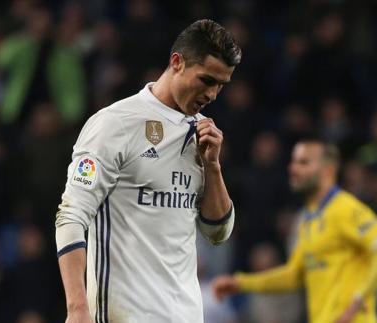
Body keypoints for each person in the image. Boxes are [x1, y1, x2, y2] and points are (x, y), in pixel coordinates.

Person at [55, 19, 241, 323]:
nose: (213, 95)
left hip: (186, 315)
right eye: (207, 80)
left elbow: (217, 232)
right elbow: (71, 216)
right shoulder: (115, 124)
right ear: (177, 62)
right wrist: (77, 307)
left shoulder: (202, 134)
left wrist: (212, 166)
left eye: (221, 85)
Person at [212, 139, 377, 323]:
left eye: (303, 162)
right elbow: (295, 275)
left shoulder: (344, 208)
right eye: (294, 161)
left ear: (328, 169)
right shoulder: (308, 218)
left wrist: (359, 297)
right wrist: (240, 283)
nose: (293, 168)